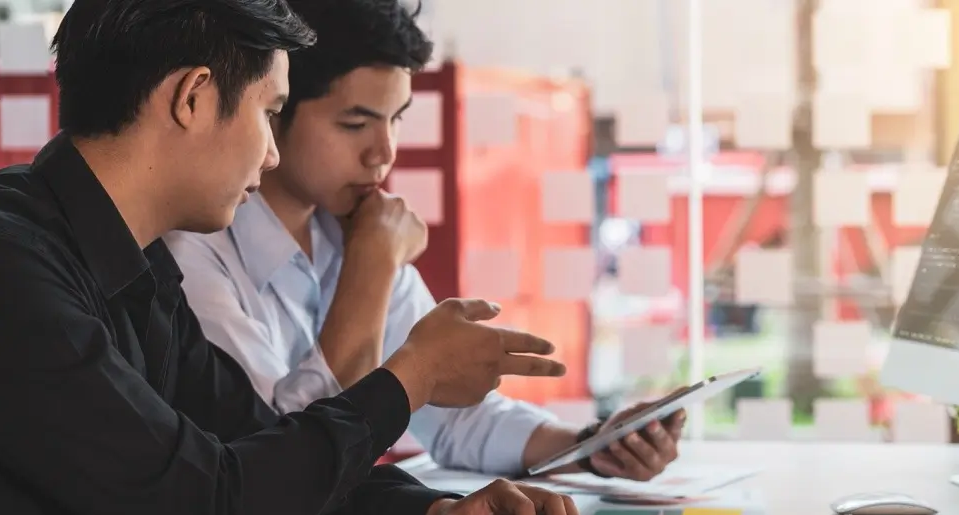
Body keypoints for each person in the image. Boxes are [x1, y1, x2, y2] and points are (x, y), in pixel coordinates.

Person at [0, 2, 580, 515]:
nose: (271, 154)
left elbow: (260, 452)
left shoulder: (137, 263)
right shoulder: (14, 267)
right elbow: (210, 514)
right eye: (269, 112)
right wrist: (414, 375)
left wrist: (432, 514)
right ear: (193, 97)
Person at [166, 0, 687, 482]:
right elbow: (287, 457)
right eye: (355, 124)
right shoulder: (195, 251)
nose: (383, 154)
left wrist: (593, 444)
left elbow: (454, 419)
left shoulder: (356, 229)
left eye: (395, 120)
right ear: (273, 109)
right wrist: (370, 267)